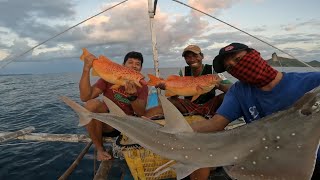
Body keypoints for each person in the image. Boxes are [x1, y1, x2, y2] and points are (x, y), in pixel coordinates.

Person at [191, 42, 320, 179]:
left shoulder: (311, 81)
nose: (235, 66)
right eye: (229, 67)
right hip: (264, 166)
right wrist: (172, 131)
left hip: (312, 160)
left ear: (254, 55)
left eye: (238, 59)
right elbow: (215, 124)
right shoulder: (239, 91)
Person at [146, 45, 232, 180]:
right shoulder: (183, 71)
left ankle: (220, 121)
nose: (191, 59)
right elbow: (176, 93)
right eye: (188, 56)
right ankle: (144, 120)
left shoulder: (214, 71)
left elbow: (231, 89)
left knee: (226, 96)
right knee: (169, 101)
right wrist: (168, 88)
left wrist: (218, 85)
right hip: (190, 105)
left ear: (202, 56)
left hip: (209, 106)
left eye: (195, 55)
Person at [79, 51, 148, 161]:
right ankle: (100, 150)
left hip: (127, 125)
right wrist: (86, 69)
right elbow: (85, 97)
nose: (134, 66)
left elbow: (140, 112)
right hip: (109, 124)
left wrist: (133, 97)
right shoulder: (108, 78)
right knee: (91, 104)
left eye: (138, 64)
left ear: (140, 68)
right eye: (130, 62)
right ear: (123, 65)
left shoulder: (142, 86)